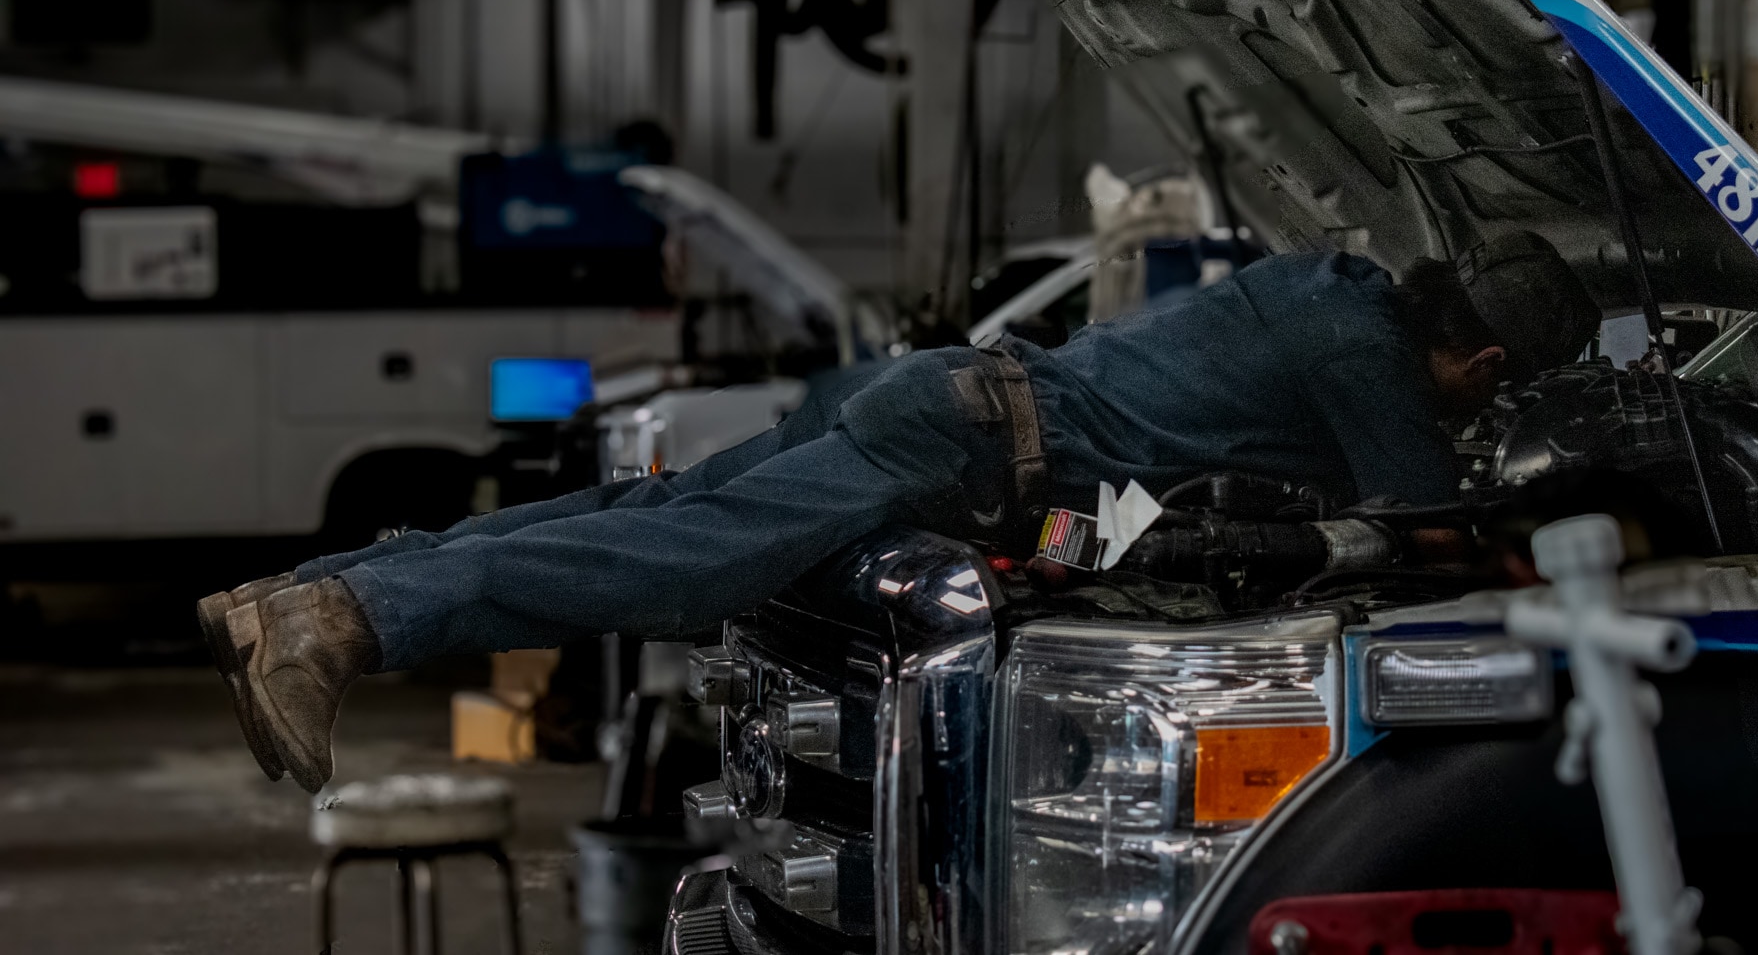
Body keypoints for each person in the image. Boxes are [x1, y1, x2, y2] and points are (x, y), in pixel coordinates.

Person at [201, 231, 1598, 791]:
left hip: (947, 401)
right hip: (957, 448)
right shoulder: (1376, 361)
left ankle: (306, 594)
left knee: (657, 516)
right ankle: (345, 619)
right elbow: (1431, 528)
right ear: (1480, 360)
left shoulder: (1328, 286)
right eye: (1487, 387)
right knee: (670, 555)